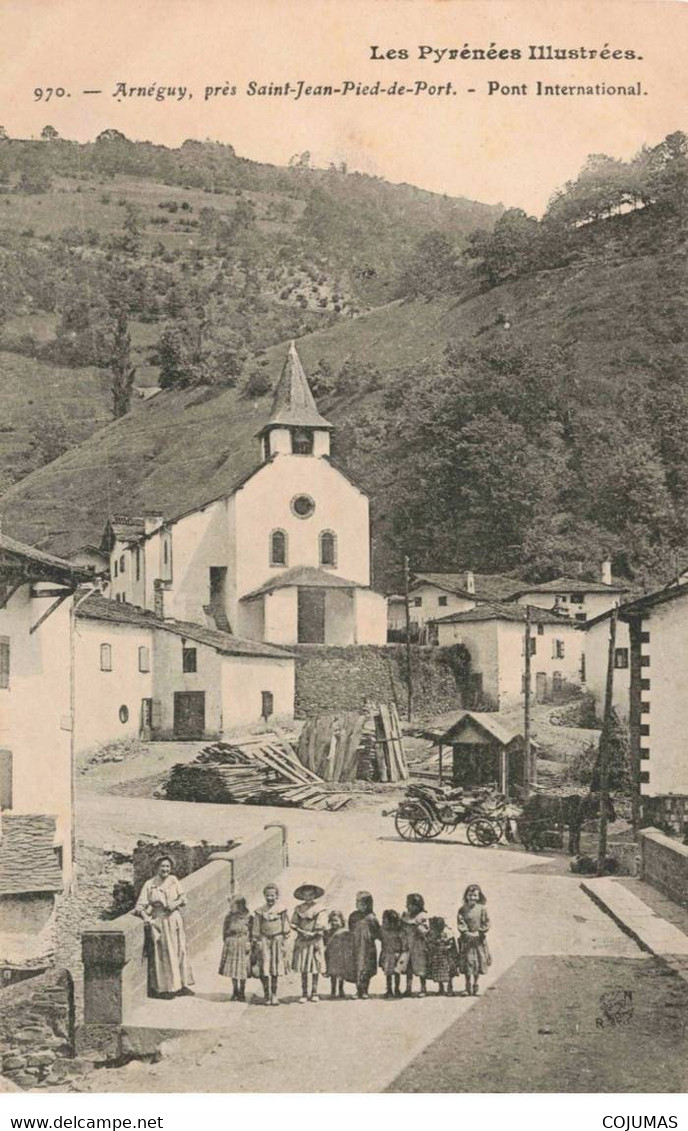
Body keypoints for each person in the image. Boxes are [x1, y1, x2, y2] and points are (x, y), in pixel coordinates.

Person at [134, 856, 194, 999]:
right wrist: (147, 918)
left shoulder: (173, 880)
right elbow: (139, 906)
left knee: (180, 950)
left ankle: (181, 985)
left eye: (167, 866)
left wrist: (176, 903)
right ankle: (166, 989)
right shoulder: (150, 884)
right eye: (162, 866)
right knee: (165, 955)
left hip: (175, 920)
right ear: (157, 867)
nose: (165, 869)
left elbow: (183, 898)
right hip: (160, 922)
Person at [252, 882, 291, 1006]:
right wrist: (256, 940)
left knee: (275, 968)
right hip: (264, 941)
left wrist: (284, 939)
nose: (270, 898)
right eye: (268, 895)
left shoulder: (282, 910)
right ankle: (266, 994)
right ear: (264, 896)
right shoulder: (259, 911)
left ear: (277, 896)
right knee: (265, 967)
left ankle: (274, 994)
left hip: (277, 940)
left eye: (272, 895)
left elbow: (286, 925)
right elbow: (256, 928)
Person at [291, 883, 326, 1003]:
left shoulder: (320, 908)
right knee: (304, 967)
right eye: (305, 895)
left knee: (314, 966)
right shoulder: (299, 909)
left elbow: (321, 924)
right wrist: (301, 931)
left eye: (311, 895)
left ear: (315, 895)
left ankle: (314, 992)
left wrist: (313, 933)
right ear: (302, 896)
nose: (308, 897)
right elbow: (293, 923)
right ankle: (304, 993)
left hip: (314, 940)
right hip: (302, 940)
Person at [457, 883, 491, 996]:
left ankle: (475, 984)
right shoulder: (462, 909)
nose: (472, 898)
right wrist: (466, 932)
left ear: (479, 897)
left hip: (478, 941)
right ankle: (467, 986)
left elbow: (486, 922)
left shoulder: (482, 909)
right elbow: (460, 922)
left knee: (478, 963)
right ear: (466, 896)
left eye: (475, 895)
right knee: (468, 963)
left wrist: (479, 932)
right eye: (470, 895)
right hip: (467, 941)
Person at [219, 895, 252, 1002]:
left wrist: (249, 943)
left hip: (243, 943)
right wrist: (228, 942)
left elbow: (252, 932)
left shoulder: (249, 917)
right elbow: (224, 932)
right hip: (232, 944)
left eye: (233, 905)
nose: (231, 908)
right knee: (233, 969)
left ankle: (242, 991)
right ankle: (235, 991)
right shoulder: (229, 917)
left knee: (242, 969)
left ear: (240, 905)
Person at [348, 891, 380, 1000]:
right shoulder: (353, 916)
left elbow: (377, 933)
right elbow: (350, 929)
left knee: (367, 969)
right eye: (358, 903)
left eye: (363, 903)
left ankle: (365, 990)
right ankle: (358, 990)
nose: (360, 905)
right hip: (356, 947)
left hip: (368, 948)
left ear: (369, 905)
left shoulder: (371, 918)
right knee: (357, 968)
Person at [401, 892, 430, 997]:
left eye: (413, 905)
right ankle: (408, 988)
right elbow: (401, 929)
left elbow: (426, 930)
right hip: (408, 945)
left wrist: (417, 926)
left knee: (421, 967)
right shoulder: (405, 915)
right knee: (408, 968)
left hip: (419, 946)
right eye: (408, 904)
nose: (410, 907)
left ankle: (423, 988)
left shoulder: (422, 916)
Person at [324, 909, 354, 999]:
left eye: (336, 920)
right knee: (332, 974)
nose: (334, 923)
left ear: (341, 921)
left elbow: (349, 943)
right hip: (331, 956)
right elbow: (325, 943)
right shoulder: (328, 932)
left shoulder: (345, 932)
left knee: (341, 974)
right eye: (332, 921)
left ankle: (341, 989)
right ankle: (333, 991)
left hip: (342, 955)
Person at [426, 915, 458, 996]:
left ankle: (450, 987)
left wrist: (446, 947)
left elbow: (451, 943)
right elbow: (430, 942)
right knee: (439, 971)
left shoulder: (448, 932)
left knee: (449, 971)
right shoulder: (433, 932)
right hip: (437, 955)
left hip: (446, 955)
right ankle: (441, 988)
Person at [379, 908, 404, 999]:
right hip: (387, 953)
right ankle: (389, 989)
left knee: (397, 972)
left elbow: (402, 941)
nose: (384, 922)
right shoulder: (383, 930)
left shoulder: (398, 931)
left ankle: (397, 989)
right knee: (388, 973)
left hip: (396, 953)